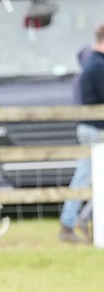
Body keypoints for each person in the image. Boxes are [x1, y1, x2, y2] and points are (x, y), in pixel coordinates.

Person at [59, 23, 104, 243]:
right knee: (83, 177)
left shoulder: (92, 63)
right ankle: (69, 223)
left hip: (92, 128)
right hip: (96, 130)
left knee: (88, 177)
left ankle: (80, 220)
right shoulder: (97, 65)